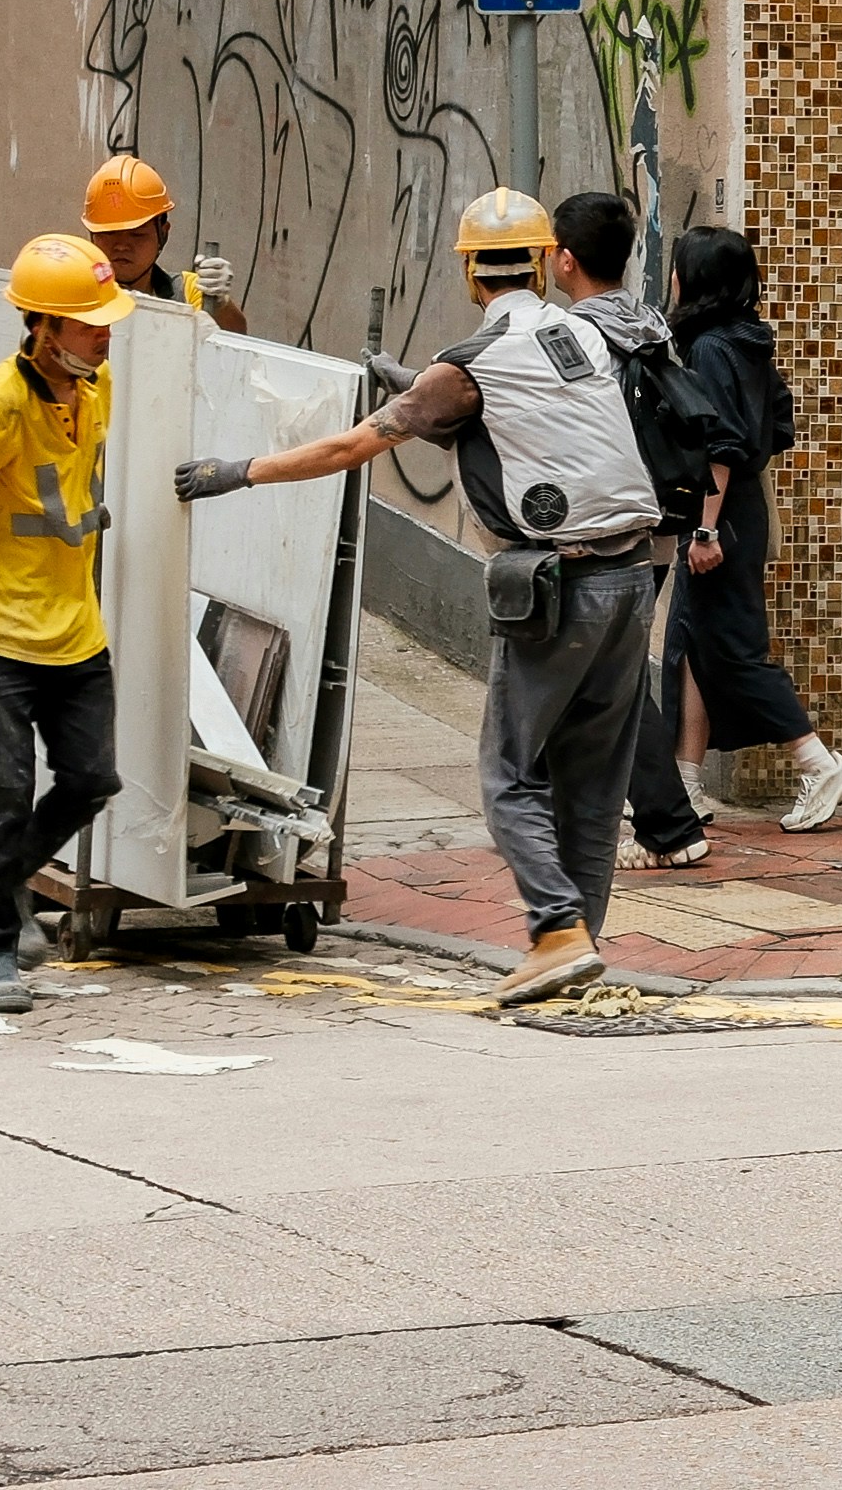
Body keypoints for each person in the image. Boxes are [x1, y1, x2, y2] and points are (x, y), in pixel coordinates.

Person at [175, 188, 672, 1006]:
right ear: (548, 264)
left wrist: (237, 472)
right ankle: (580, 944)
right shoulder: (582, 332)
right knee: (593, 782)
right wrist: (430, 387)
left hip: (560, 583)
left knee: (509, 774)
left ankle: (554, 929)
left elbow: (354, 444)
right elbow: (528, 416)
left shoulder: (468, 362)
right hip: (632, 581)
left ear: (471, 272)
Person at [588, 212, 842, 848]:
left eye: (680, 268)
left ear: (697, 279)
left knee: (734, 649)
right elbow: (774, 427)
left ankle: (818, 764)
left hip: (718, 512)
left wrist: (706, 530)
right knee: (690, 643)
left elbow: (719, 440)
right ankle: (685, 778)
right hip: (730, 506)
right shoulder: (748, 338)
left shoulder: (713, 348)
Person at [0, 234, 137, 1016]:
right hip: (0, 643)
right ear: (45, 328)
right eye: (89, 325)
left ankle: (6, 883)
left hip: (76, 634)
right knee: (3, 802)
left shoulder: (96, 385)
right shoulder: (0, 404)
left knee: (91, 781)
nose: (104, 335)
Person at [80, 152, 248, 335]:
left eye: (137, 235)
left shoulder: (186, 292)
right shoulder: (71, 291)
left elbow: (235, 339)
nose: (121, 246)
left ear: (163, 233)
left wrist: (220, 304)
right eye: (109, 233)